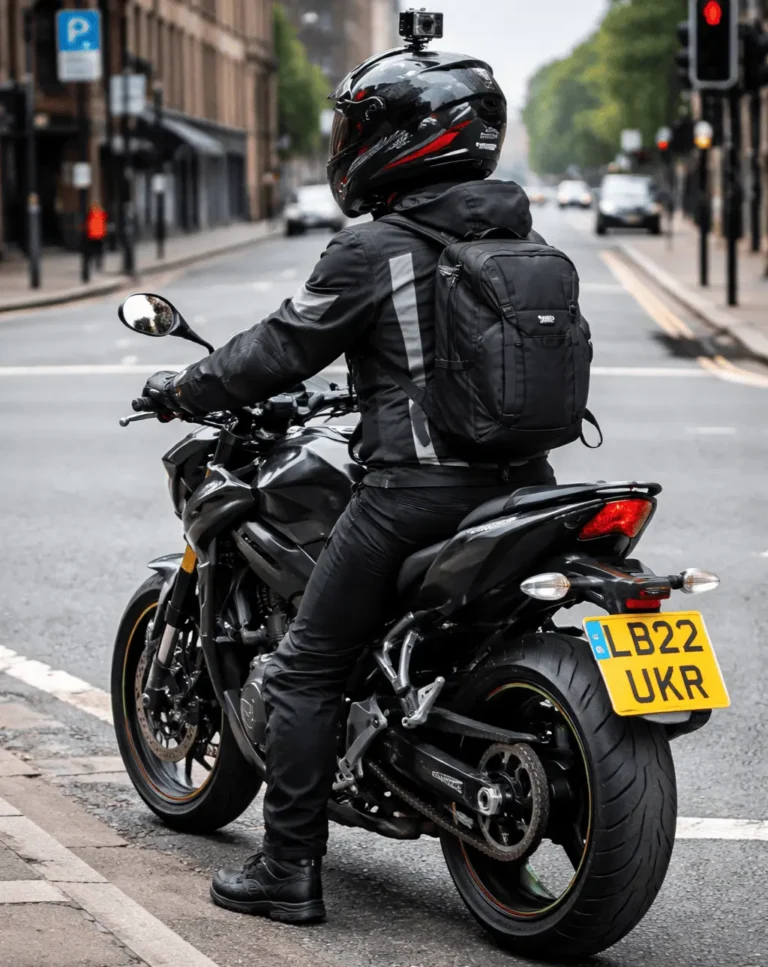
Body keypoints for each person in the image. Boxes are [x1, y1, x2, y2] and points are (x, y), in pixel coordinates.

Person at [140, 46, 560, 924]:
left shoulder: (377, 247)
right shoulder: (525, 239)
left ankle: (288, 870)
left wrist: (184, 388)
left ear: (402, 141)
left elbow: (280, 348)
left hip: (416, 496)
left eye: (358, 127)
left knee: (304, 670)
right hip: (528, 485)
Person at [86, 202, 108, 271]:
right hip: (99, 236)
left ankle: (95, 263)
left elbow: (88, 224)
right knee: (99, 251)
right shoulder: (102, 214)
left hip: (93, 236)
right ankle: (98, 264)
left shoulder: (90, 214)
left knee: (93, 251)